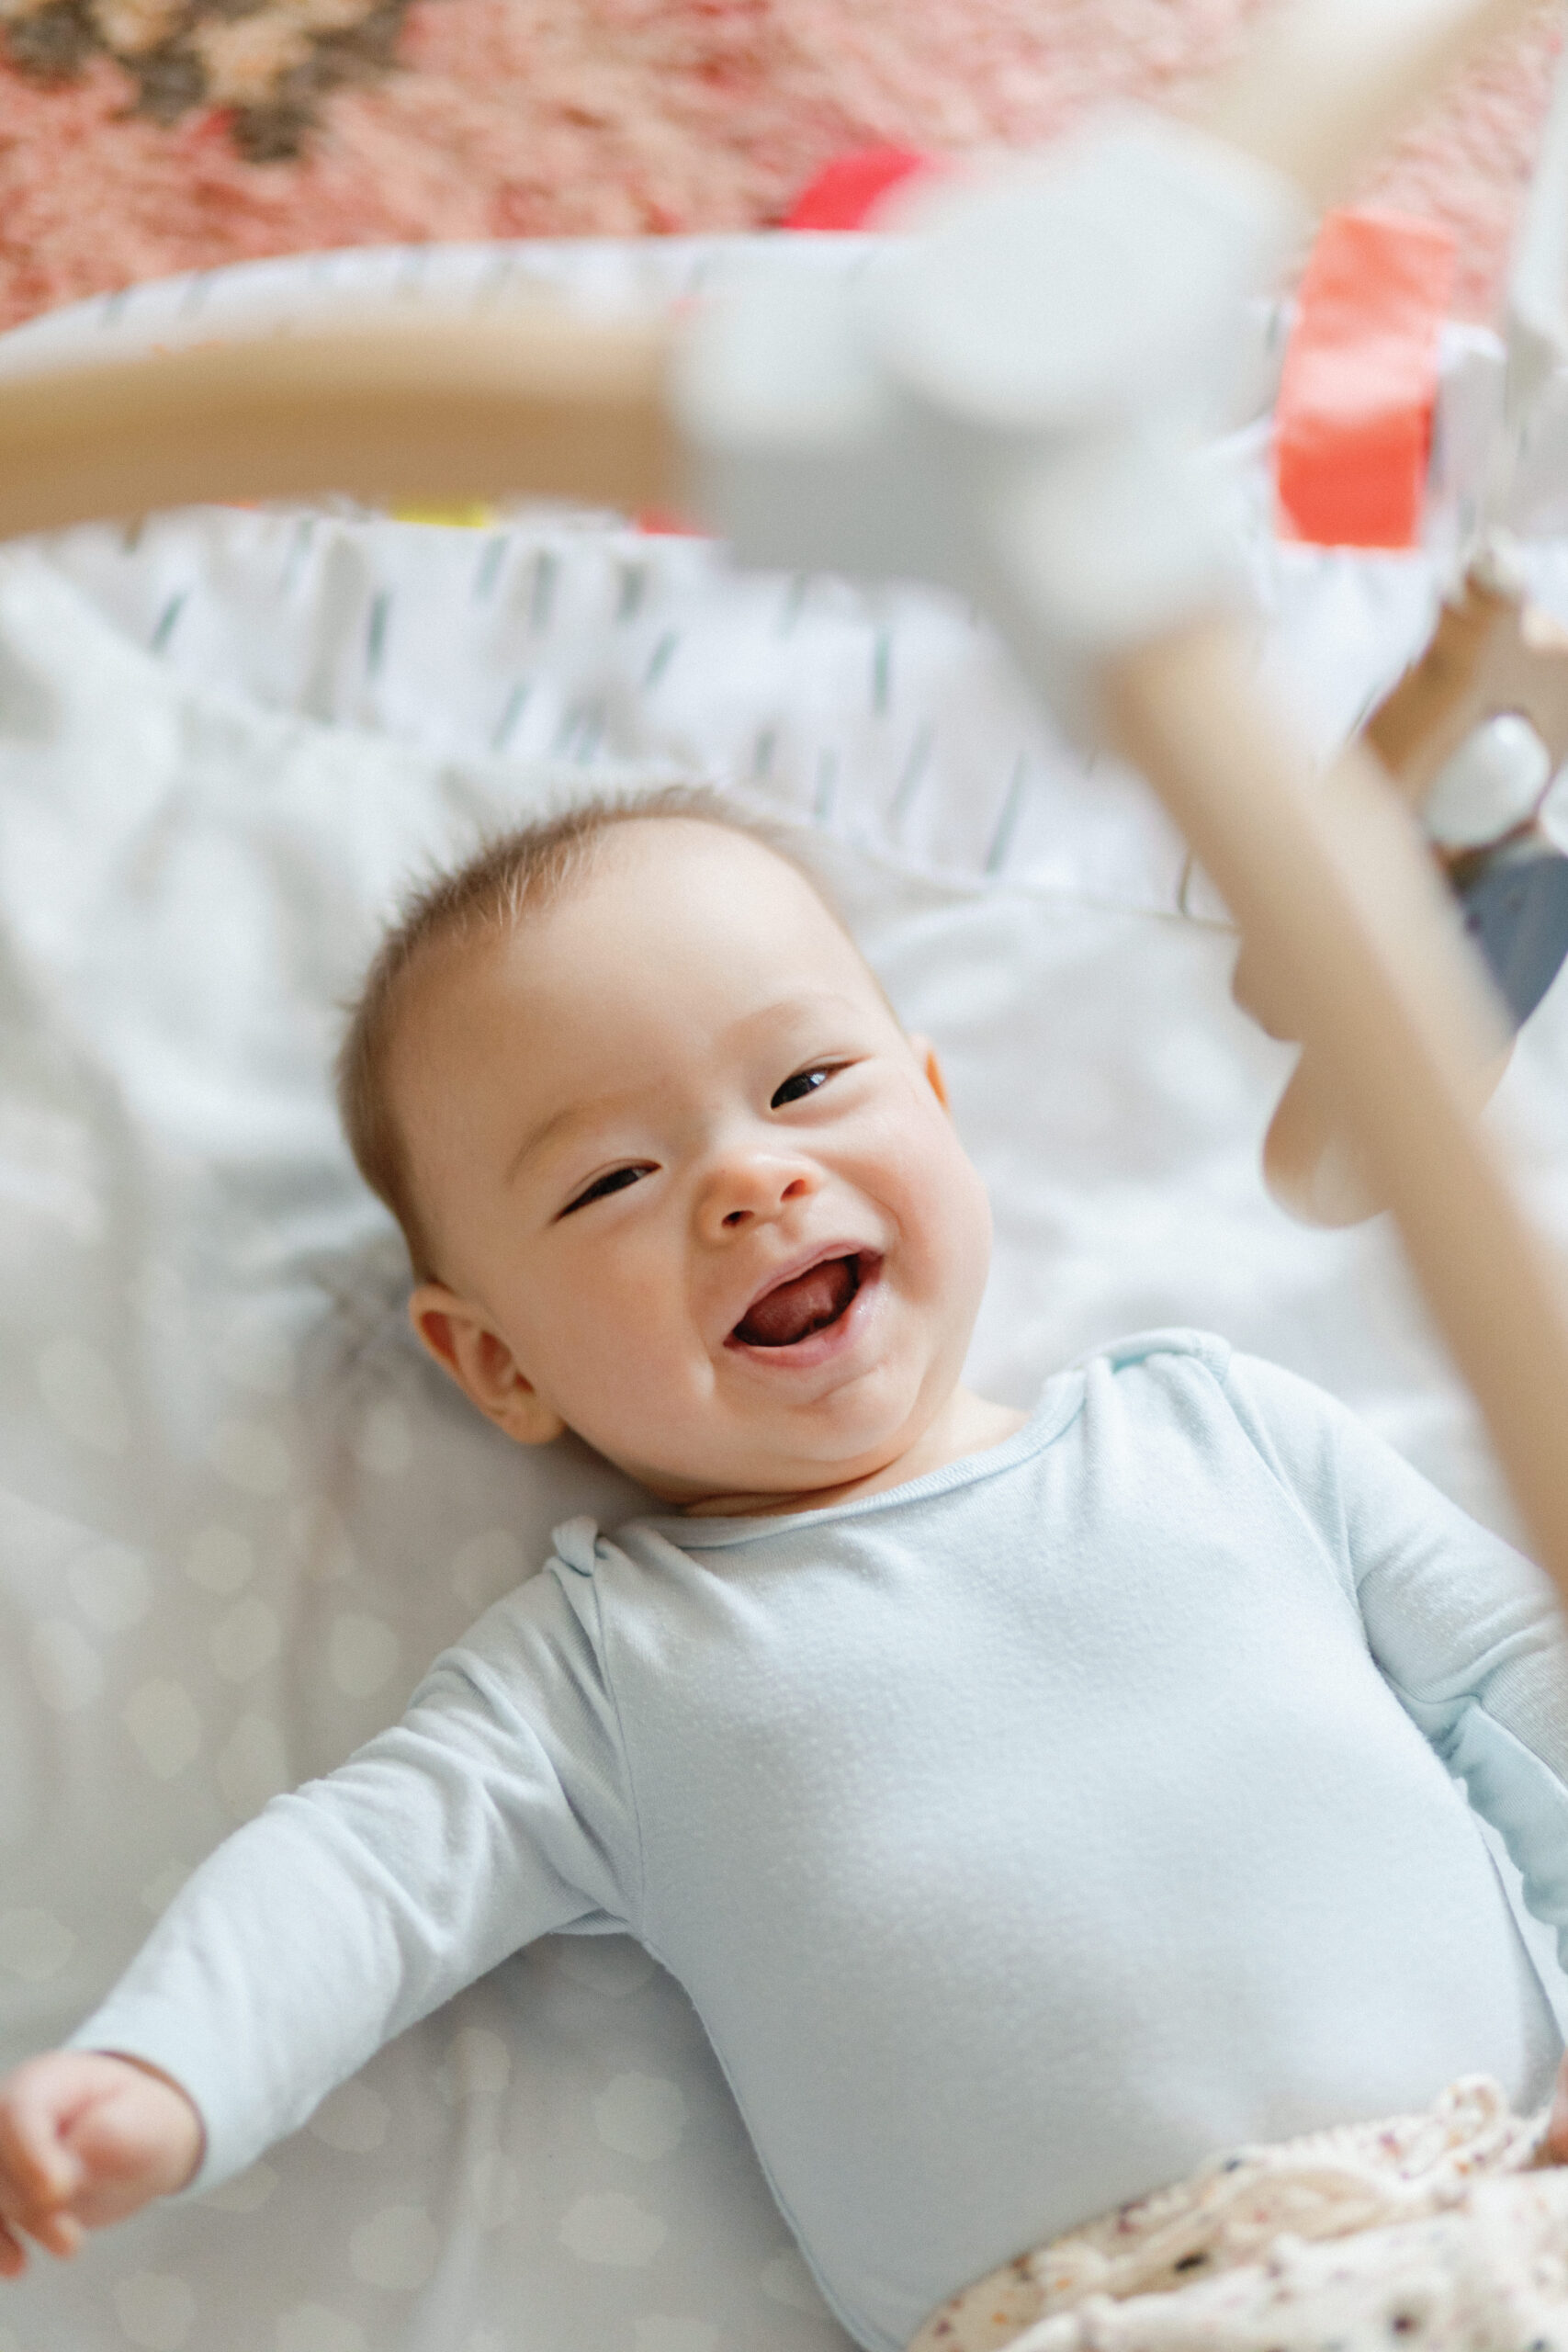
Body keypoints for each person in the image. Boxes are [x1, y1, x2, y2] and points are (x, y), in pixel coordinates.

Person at [3, 786, 1568, 2352]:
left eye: (808, 1082)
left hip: (1518, 2196)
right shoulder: (609, 1675)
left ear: (938, 1108)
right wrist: (161, 2071)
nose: (750, 1181)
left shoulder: (1222, 1433)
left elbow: (1527, 1677)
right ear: (495, 1362)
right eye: (611, 1179)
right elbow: (358, 1877)